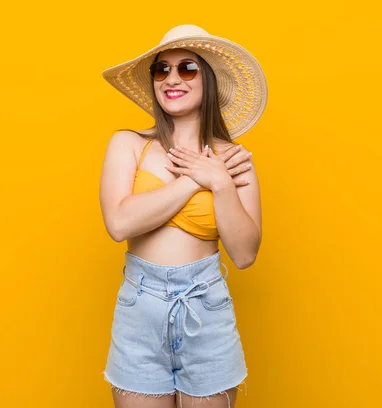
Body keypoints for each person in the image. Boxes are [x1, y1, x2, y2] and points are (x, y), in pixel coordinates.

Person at [99, 24, 268, 408]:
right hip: (140, 307)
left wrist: (222, 184)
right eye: (162, 70)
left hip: (205, 304)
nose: (171, 79)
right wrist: (197, 179)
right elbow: (119, 224)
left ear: (208, 79)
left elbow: (244, 255)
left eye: (187, 68)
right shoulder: (128, 144)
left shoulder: (234, 161)